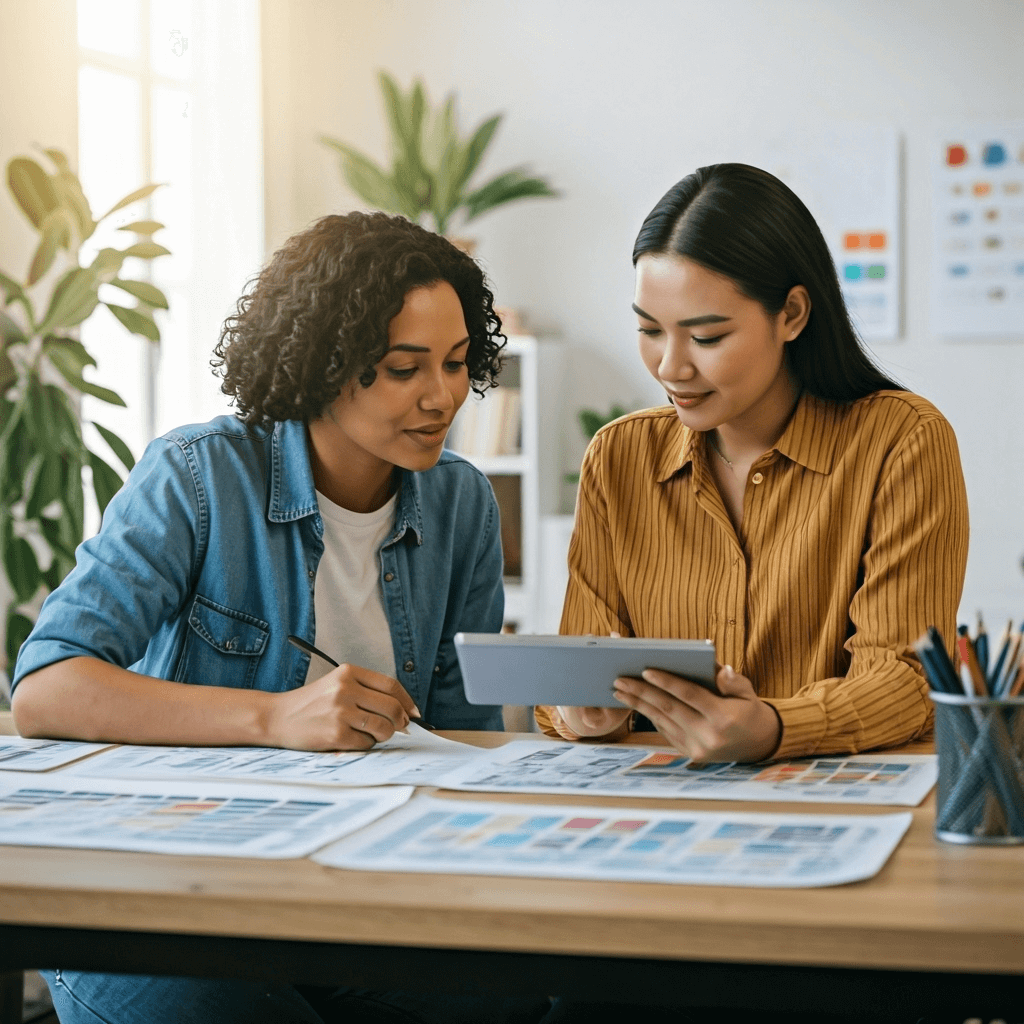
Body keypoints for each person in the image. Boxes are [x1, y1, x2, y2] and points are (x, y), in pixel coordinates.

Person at [12, 211, 550, 1024]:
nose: (441, 396)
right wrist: (274, 717)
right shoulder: (197, 477)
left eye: (456, 363)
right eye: (404, 368)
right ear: (322, 363)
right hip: (150, 894)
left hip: (344, 887)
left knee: (514, 1004)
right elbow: (47, 689)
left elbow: (456, 734)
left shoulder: (462, 503)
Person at [537, 162, 969, 772]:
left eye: (706, 337)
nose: (670, 367)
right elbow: (583, 664)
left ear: (791, 313)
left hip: (843, 805)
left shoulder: (902, 442)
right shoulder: (618, 457)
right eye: (649, 330)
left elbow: (904, 678)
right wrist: (581, 711)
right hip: (664, 809)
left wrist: (772, 727)